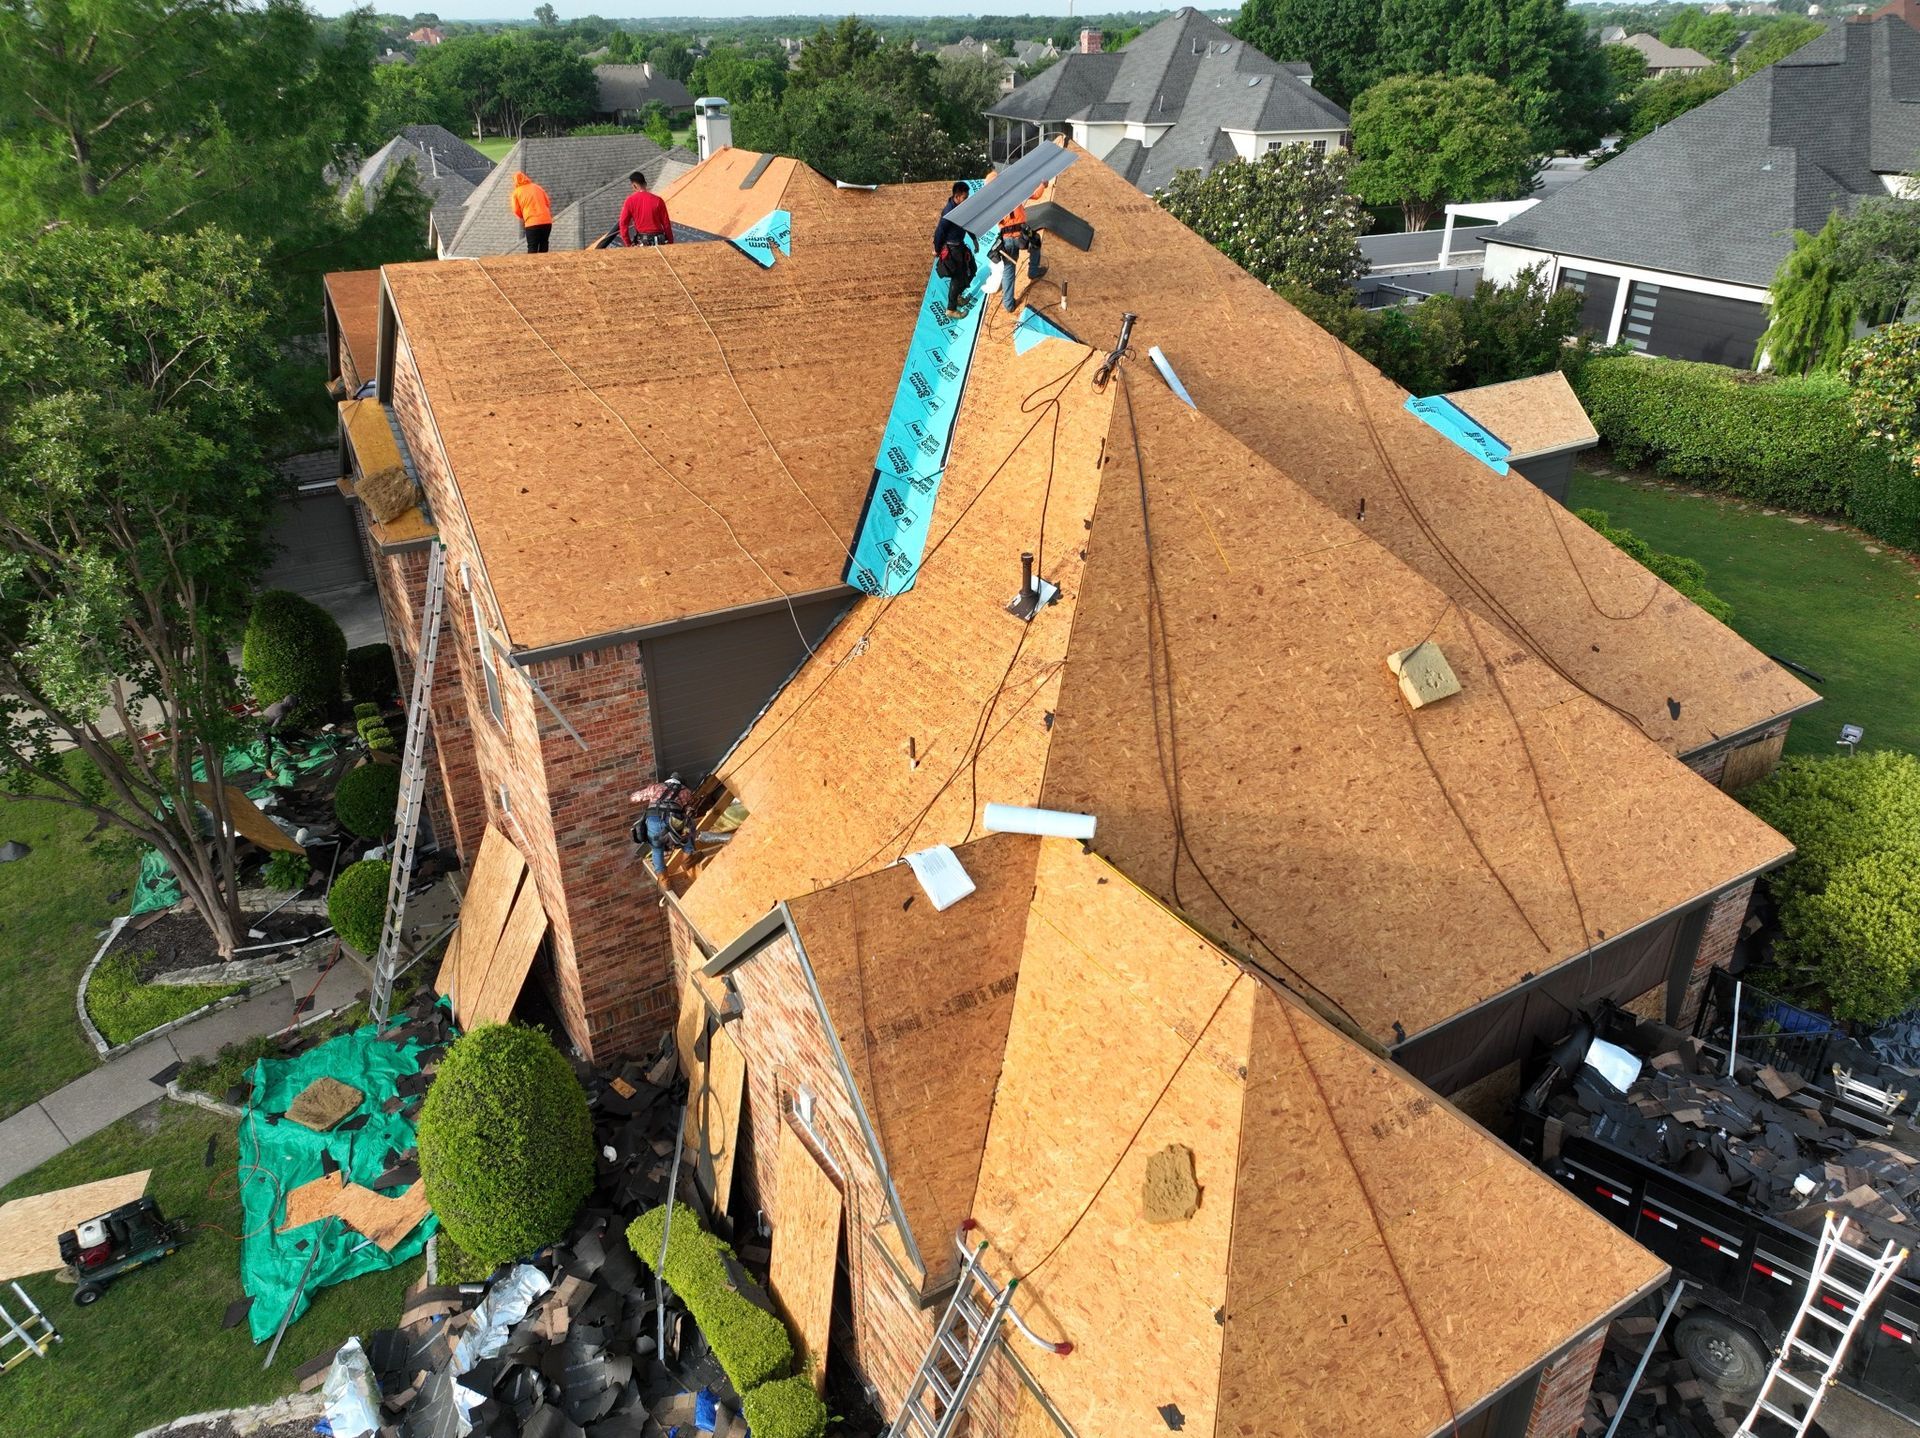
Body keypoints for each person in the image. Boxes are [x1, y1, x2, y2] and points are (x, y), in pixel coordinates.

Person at [990, 185, 1051, 313]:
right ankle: (1033, 271)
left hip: (1006, 240)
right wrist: (1043, 185)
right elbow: (1036, 195)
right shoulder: (1016, 193)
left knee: (1008, 270)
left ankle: (1008, 305)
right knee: (1035, 241)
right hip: (1021, 237)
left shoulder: (993, 202)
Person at [630, 775, 696, 875]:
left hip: (654, 820)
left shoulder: (655, 787)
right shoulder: (686, 791)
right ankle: (687, 859)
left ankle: (663, 879)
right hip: (673, 821)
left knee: (657, 848)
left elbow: (634, 798)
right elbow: (689, 808)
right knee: (687, 835)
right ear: (681, 783)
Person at [933, 181, 977, 319]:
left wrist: (974, 239)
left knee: (972, 269)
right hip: (953, 250)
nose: (967, 200)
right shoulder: (949, 212)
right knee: (957, 279)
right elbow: (939, 232)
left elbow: (967, 224)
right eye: (965, 197)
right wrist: (937, 249)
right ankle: (951, 309)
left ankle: (957, 296)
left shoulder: (961, 208)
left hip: (960, 246)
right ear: (957, 197)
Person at [615, 171, 674, 248]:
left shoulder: (630, 201)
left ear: (634, 185)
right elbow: (666, 224)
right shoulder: (658, 200)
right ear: (645, 184)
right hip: (659, 241)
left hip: (642, 242)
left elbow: (623, 224)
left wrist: (628, 244)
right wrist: (670, 242)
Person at [510, 171, 553, 254]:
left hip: (532, 223)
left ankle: (534, 263)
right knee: (544, 244)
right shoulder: (537, 187)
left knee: (532, 247)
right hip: (546, 222)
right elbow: (547, 202)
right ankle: (544, 262)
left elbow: (516, 210)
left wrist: (524, 217)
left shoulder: (516, 193)